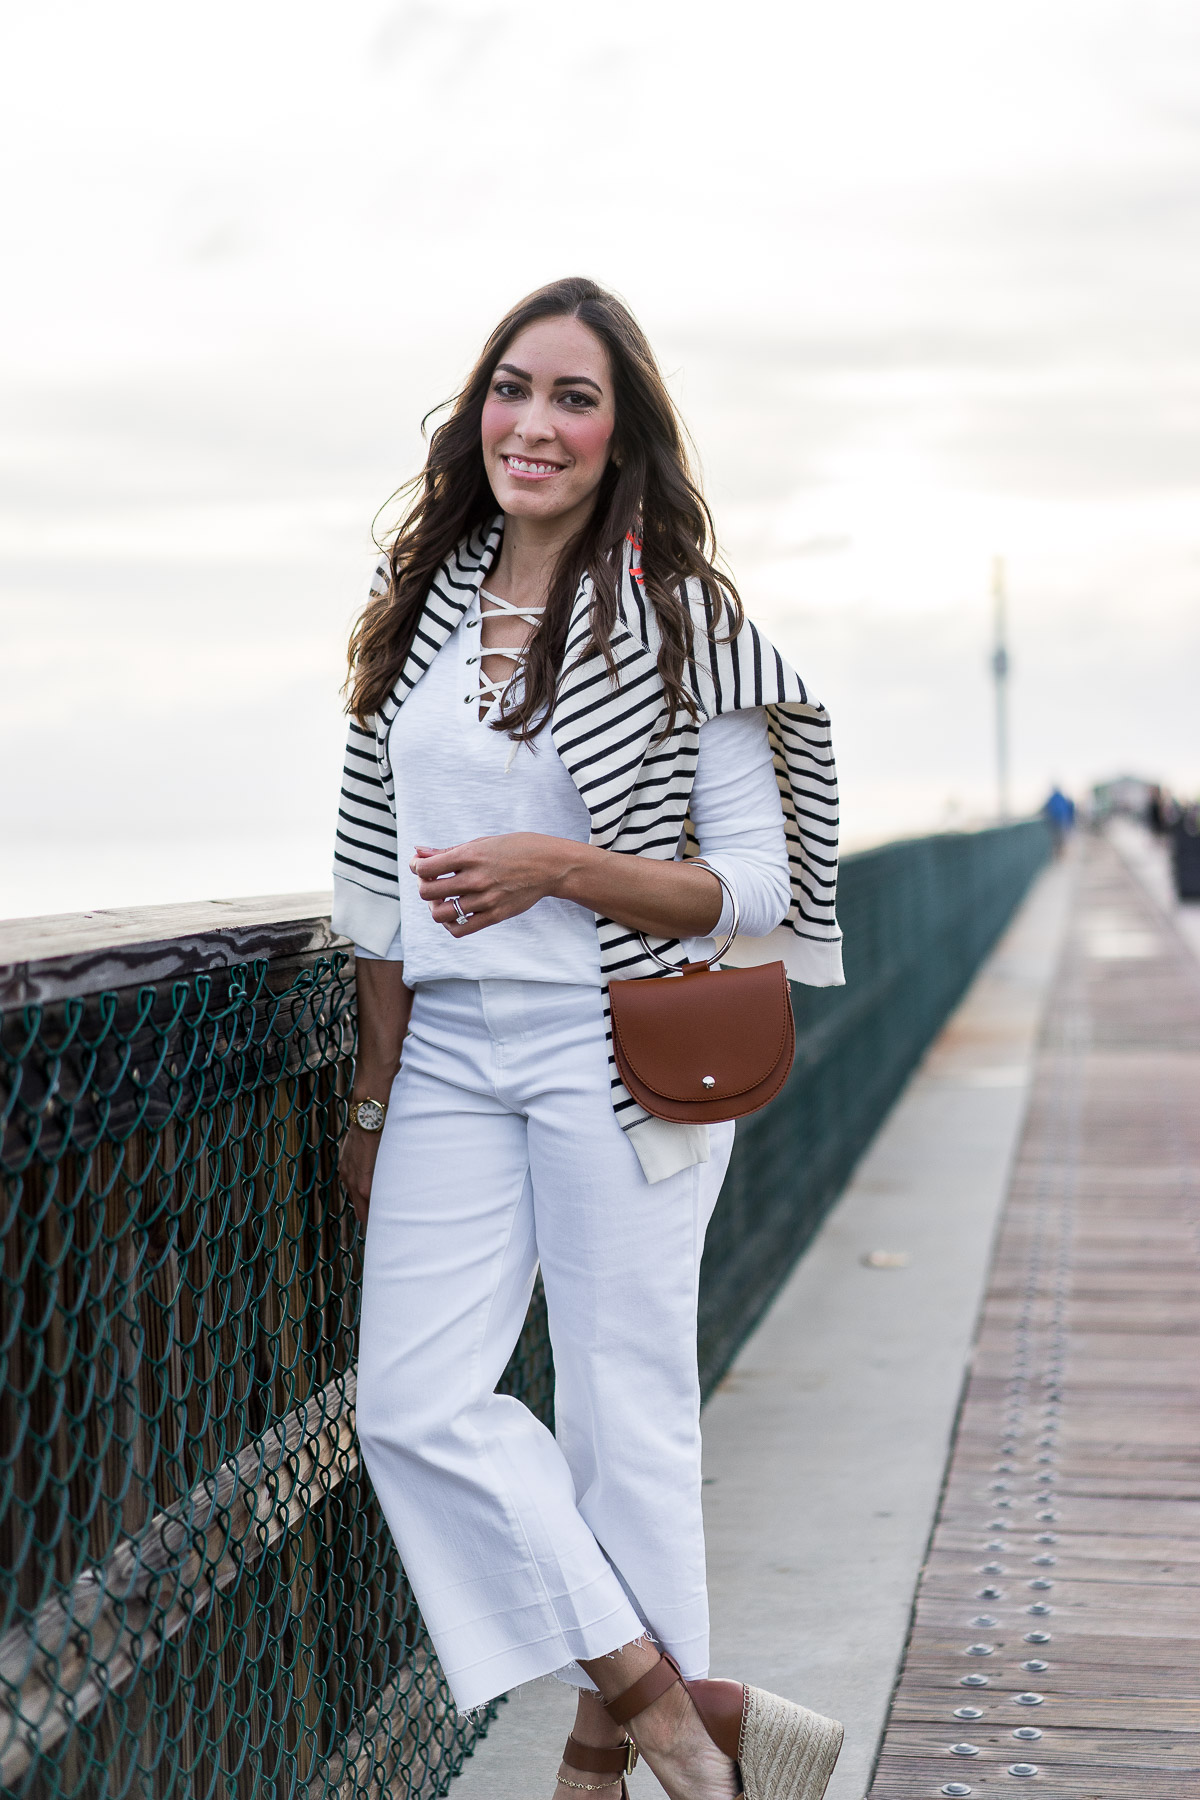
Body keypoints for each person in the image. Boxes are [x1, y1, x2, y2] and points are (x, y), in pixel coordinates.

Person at [333, 277, 845, 1800]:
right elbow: (372, 888)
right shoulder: (424, 612)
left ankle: (611, 1772)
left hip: (618, 1048)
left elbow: (755, 880)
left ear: (622, 434)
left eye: (572, 397)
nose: (532, 424)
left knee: (625, 1417)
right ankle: (675, 1705)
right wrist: (369, 1103)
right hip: (446, 1056)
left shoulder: (682, 620)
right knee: (413, 1405)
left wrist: (559, 866)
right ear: (473, 411)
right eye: (510, 388)